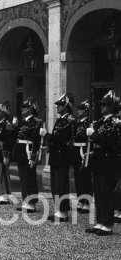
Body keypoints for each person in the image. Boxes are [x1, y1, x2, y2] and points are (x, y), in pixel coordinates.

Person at [85, 90, 119, 236]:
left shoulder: (115, 123)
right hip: (98, 160)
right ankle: (100, 221)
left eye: (105, 105)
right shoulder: (99, 122)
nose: (102, 107)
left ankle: (108, 224)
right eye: (101, 105)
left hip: (108, 161)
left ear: (111, 107)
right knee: (98, 192)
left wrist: (94, 135)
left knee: (107, 193)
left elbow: (110, 143)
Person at [40, 93, 75, 222]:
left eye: (60, 105)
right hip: (56, 155)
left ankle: (64, 211)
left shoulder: (68, 121)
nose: (57, 107)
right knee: (55, 184)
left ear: (66, 107)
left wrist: (47, 136)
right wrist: (49, 145)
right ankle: (59, 209)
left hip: (62, 156)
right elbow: (56, 140)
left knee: (62, 184)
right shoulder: (61, 120)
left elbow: (62, 139)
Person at [13, 97, 42, 213]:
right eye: (22, 107)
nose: (22, 109)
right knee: (23, 177)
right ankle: (25, 200)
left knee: (30, 177)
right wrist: (14, 127)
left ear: (30, 109)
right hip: (21, 151)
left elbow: (37, 141)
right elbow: (16, 136)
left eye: (24, 108)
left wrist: (34, 156)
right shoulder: (22, 122)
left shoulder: (36, 122)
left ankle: (32, 203)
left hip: (28, 151)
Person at [71, 99, 93, 214]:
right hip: (76, 150)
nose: (78, 111)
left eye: (81, 109)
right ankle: (80, 199)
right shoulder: (77, 122)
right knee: (78, 178)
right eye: (78, 109)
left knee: (85, 178)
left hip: (84, 150)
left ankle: (87, 202)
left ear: (86, 111)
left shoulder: (88, 123)